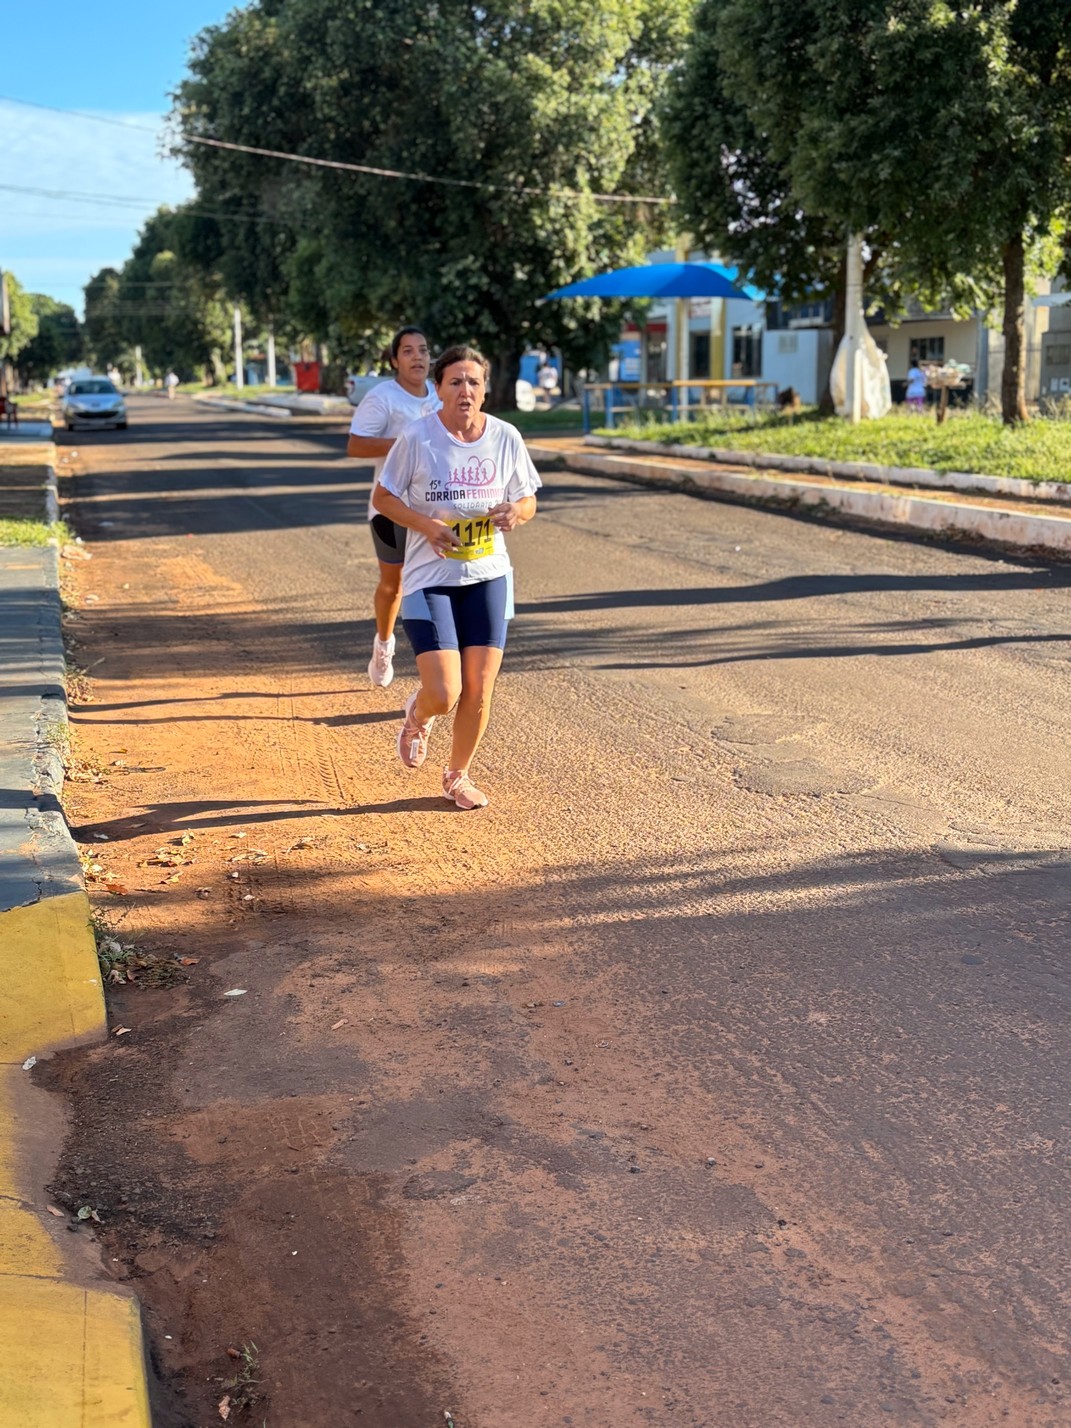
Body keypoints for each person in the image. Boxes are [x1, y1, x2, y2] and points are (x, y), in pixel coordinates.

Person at [372, 344, 540, 810]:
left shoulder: (506, 437)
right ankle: (417, 713)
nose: (465, 390)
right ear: (440, 389)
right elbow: (384, 498)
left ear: (484, 390)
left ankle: (456, 775)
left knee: (480, 687)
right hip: (430, 578)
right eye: (455, 382)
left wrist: (515, 512)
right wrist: (427, 526)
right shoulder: (418, 437)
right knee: (445, 692)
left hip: (489, 575)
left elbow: (528, 500)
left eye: (474, 382)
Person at [347, 327, 440, 688]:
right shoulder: (382, 397)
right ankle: (384, 644)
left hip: (434, 508)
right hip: (389, 506)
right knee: (394, 584)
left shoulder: (440, 394)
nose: (417, 357)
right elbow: (356, 445)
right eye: (408, 351)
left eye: (423, 350)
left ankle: (434, 663)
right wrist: (404, 442)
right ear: (394, 360)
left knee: (434, 585)